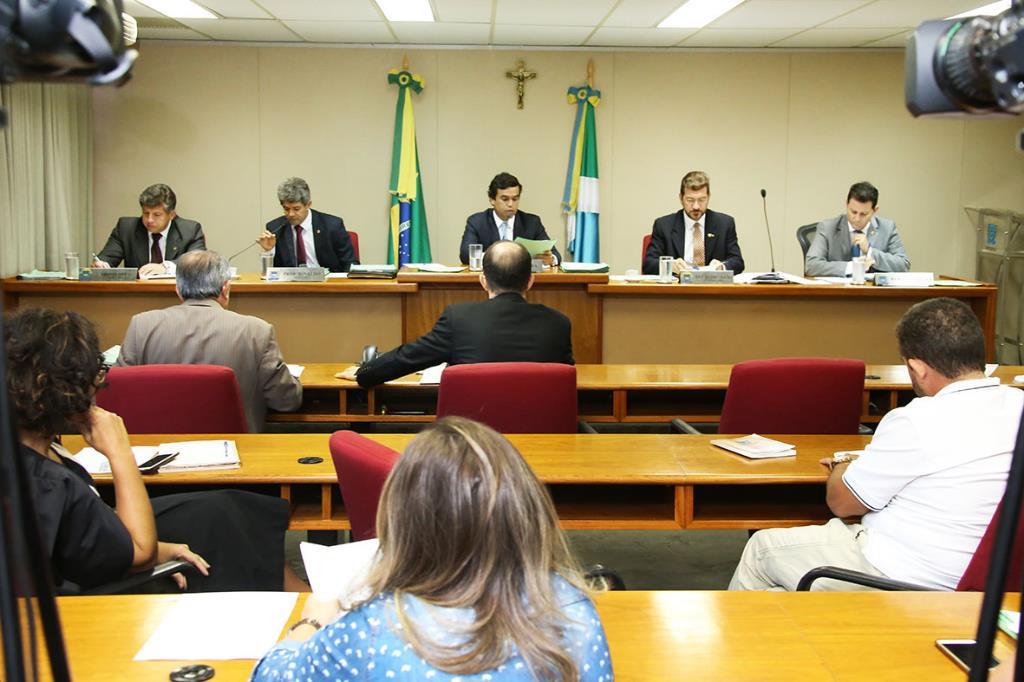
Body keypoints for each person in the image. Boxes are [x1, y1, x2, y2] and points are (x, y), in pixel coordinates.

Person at [252, 416, 612, 681]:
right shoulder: (574, 612)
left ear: (403, 520)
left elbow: (269, 677)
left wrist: (312, 621)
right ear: (525, 509)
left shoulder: (372, 628)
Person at [730, 297, 1023, 591]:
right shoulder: (1018, 403)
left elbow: (842, 503)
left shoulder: (916, 419)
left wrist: (843, 464)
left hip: (903, 575)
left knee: (762, 549)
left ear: (918, 368)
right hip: (994, 582)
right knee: (778, 591)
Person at [5, 308, 306, 592]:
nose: (98, 387)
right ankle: (309, 614)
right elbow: (140, 553)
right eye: (94, 377)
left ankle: (309, 602)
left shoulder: (35, 448)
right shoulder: (48, 483)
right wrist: (119, 451)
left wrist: (164, 548)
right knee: (226, 541)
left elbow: (80, 529)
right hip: (101, 588)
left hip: (98, 545)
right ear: (64, 389)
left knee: (221, 509)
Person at [339, 241, 573, 387]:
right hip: (543, 437)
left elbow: (408, 357)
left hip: (472, 444)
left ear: (483, 280)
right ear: (531, 281)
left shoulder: (459, 319)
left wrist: (366, 372)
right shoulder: (559, 324)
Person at [118, 250, 302, 432]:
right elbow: (286, 401)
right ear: (225, 288)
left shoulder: (141, 325)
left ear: (178, 290)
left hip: (158, 452)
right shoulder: (257, 330)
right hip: (239, 451)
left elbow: (116, 394)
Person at [643, 171, 744, 275]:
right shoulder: (664, 225)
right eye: (690, 200)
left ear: (708, 197)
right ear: (681, 198)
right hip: (678, 288)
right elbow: (648, 264)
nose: (696, 206)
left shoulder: (725, 224)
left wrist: (721, 267)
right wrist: (670, 265)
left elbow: (737, 262)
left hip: (713, 288)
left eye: (701, 200)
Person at [94, 183, 206, 278]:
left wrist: (165, 267)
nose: (149, 220)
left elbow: (198, 264)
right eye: (146, 213)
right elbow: (107, 257)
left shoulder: (190, 230)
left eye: (157, 215)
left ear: (171, 215)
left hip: (176, 295)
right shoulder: (126, 228)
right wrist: (102, 264)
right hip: (136, 296)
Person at [804, 181, 910, 277]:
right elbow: (811, 265)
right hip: (838, 293)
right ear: (846, 204)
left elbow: (903, 264)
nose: (857, 218)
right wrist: (853, 267)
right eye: (853, 212)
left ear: (875, 210)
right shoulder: (827, 228)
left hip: (874, 294)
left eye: (864, 214)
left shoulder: (887, 228)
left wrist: (870, 251)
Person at [459, 172, 560, 267]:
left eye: (515, 199)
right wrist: (504, 258)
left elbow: (556, 255)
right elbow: (465, 255)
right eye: (505, 199)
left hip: (523, 281)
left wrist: (550, 259)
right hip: (489, 280)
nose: (511, 204)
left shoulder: (532, 222)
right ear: (492, 199)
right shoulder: (477, 222)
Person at [258, 177, 358, 272]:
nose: (291, 214)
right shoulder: (275, 228)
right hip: (291, 286)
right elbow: (272, 274)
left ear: (308, 205)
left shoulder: (332, 226)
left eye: (296, 209)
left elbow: (350, 264)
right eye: (286, 209)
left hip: (327, 285)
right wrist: (269, 251)